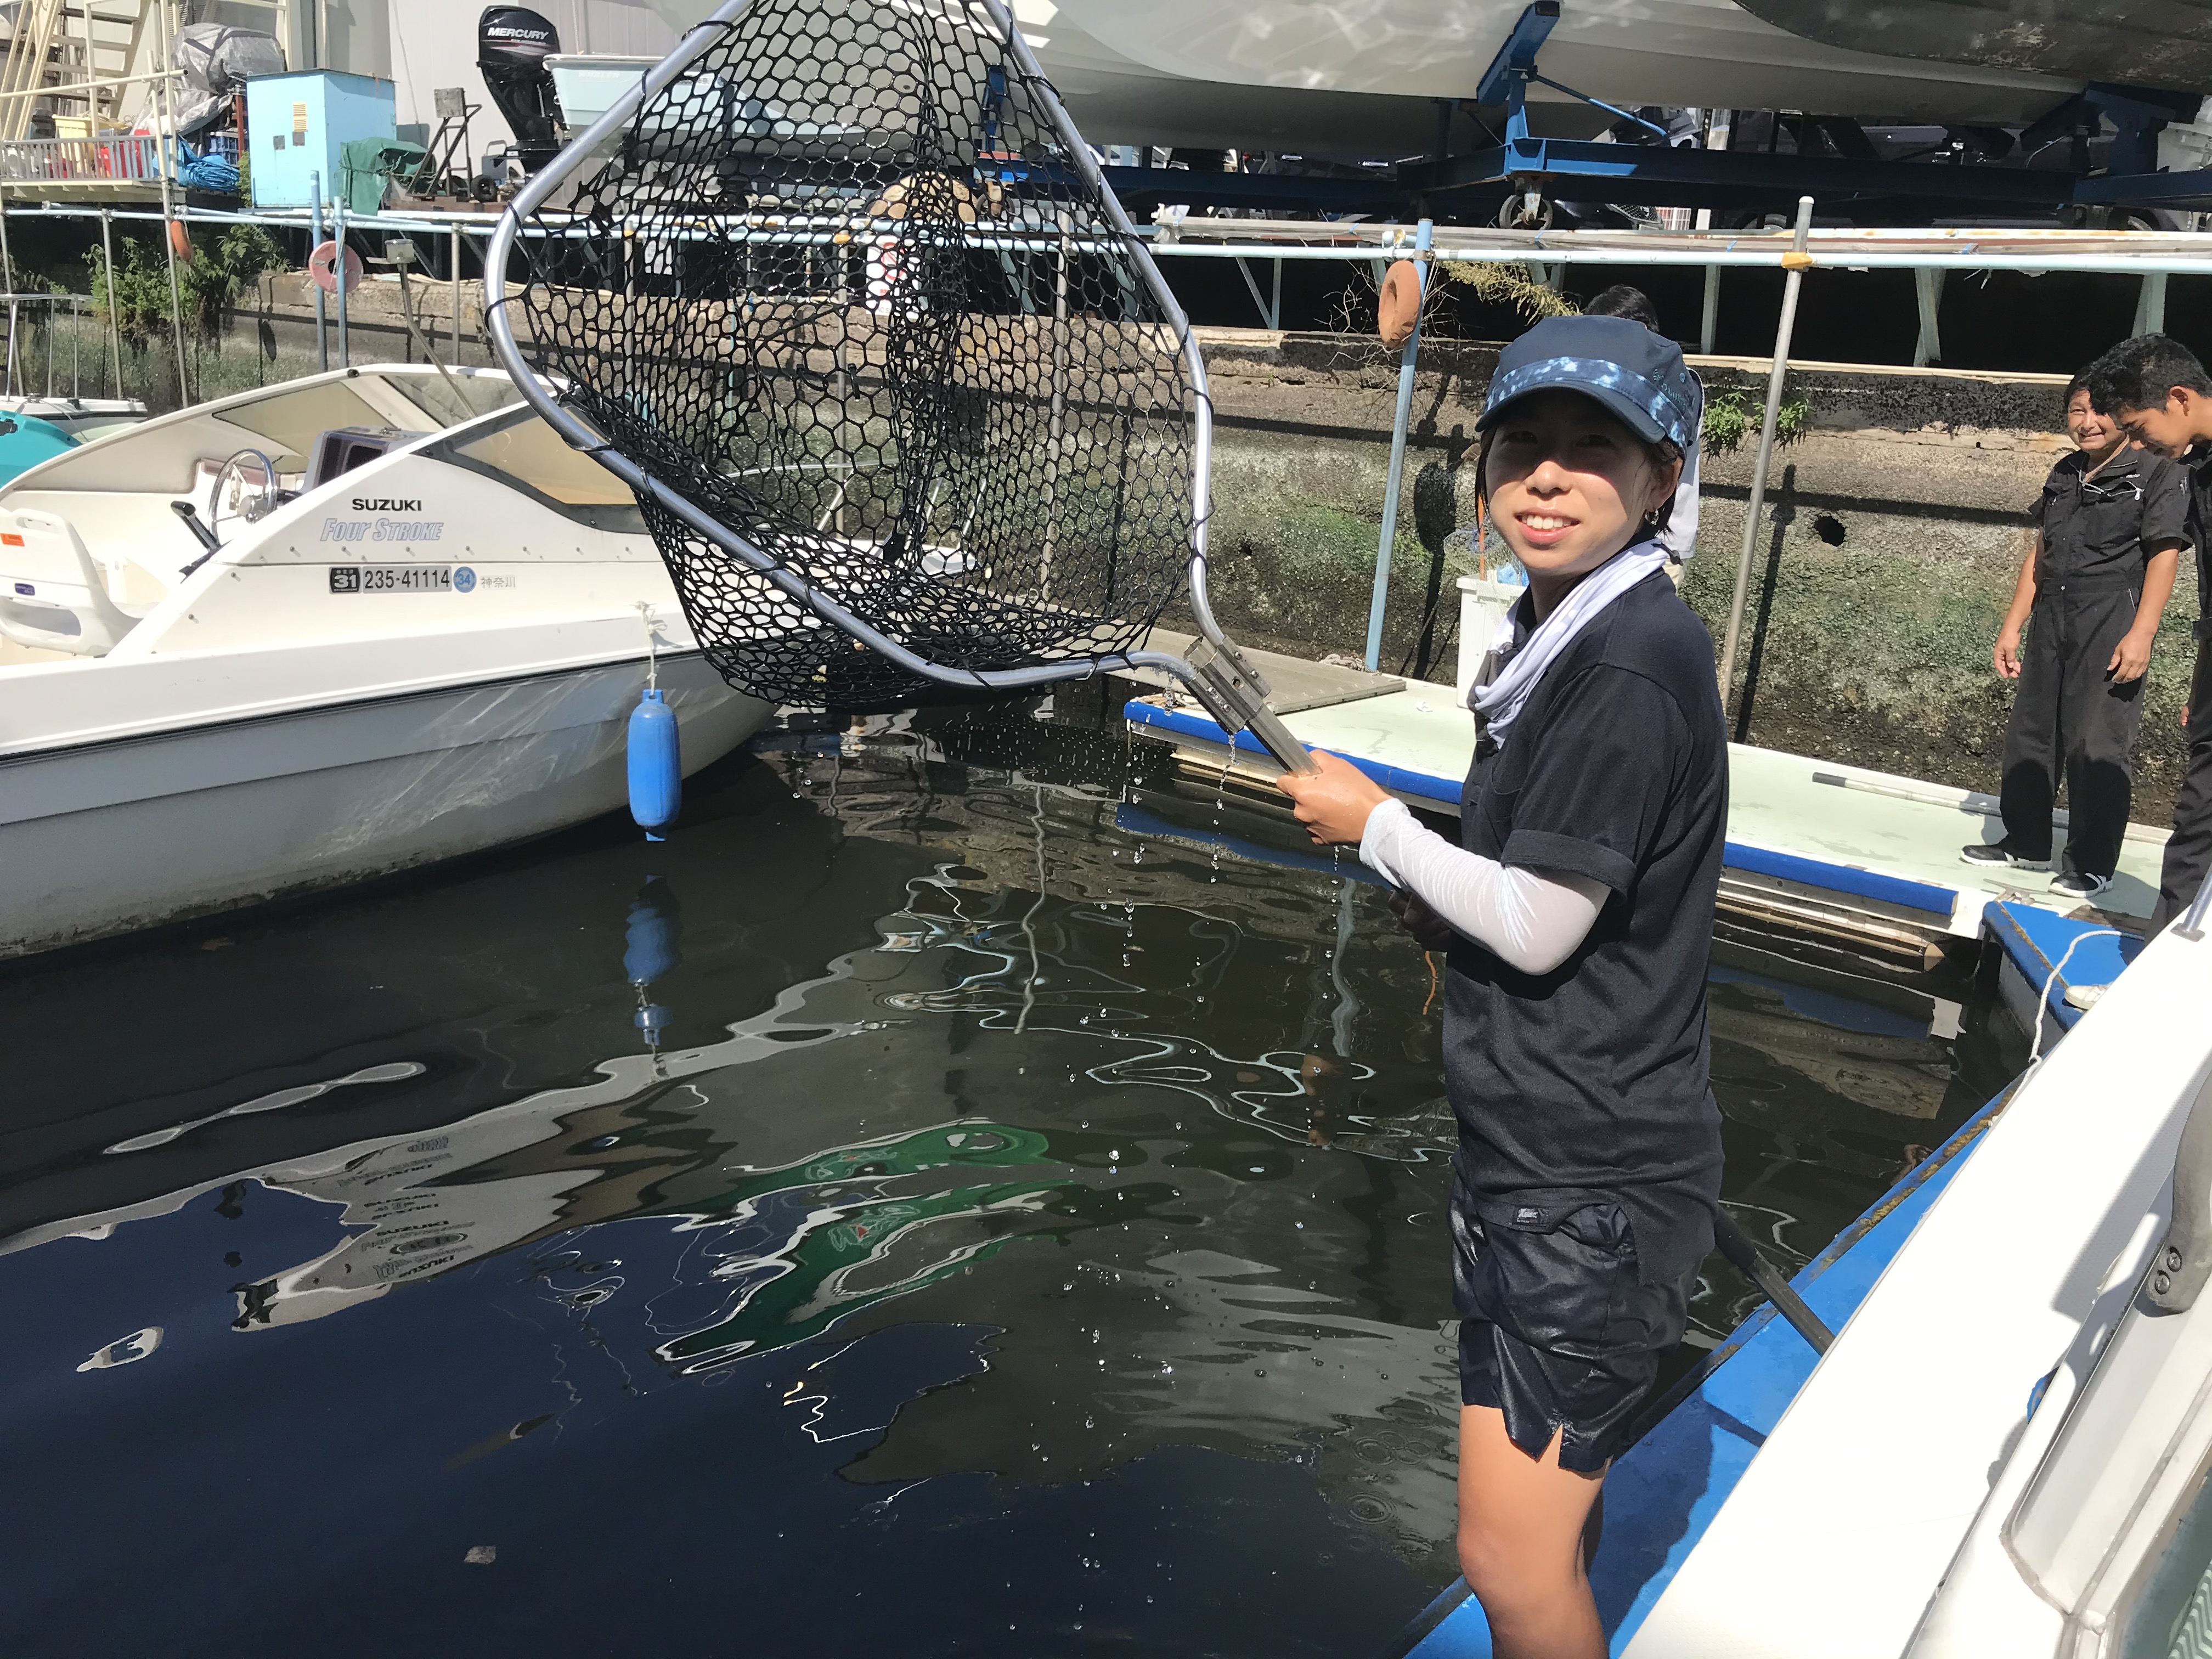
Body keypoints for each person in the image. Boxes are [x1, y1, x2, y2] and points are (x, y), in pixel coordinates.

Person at [1276, 314, 1725, 1659]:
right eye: (1521, 446)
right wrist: (1429, 863)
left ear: (1662, 483)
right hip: (1539, 1153)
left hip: (1585, 1183)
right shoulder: (1561, 631)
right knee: (1549, 1533)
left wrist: (1379, 830)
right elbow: (1541, 883)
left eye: (1595, 451)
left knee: (1505, 1562)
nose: (1545, 476)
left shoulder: (1631, 660)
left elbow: (1536, 928)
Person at [1963, 368, 2185, 901]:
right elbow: (2040, 555)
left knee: (2098, 741)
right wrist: (2013, 624)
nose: (2088, 423)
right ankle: (2026, 841)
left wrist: (2143, 633)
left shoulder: (2154, 473)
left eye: (2100, 411)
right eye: (2077, 412)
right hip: (2053, 615)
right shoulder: (2065, 473)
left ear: (2127, 412)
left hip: (2113, 616)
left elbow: (2164, 554)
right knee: (2032, 731)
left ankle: (2091, 863)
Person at [2087, 335, 2212, 927]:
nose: (2136, 446)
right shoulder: (2196, 467)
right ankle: (2173, 938)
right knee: (2201, 804)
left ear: (2180, 398)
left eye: (2137, 429)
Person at [1581, 284, 1703, 564]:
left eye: (1612, 337)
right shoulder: (1621, 381)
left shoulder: (1680, 384)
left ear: (1644, 330)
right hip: (1614, 541)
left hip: (1659, 544)